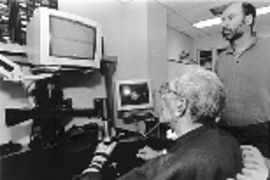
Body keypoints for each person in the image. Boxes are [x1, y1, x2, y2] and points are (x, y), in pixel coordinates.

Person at [72, 65, 243, 180]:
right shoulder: (227, 140)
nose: (161, 96)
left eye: (168, 90)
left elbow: (181, 165)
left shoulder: (168, 168)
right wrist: (162, 157)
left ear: (180, 105)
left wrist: (97, 161)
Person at [215, 1, 270, 171]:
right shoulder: (221, 58)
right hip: (225, 132)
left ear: (248, 19)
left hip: (261, 133)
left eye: (230, 18)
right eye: (222, 19)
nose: (224, 23)